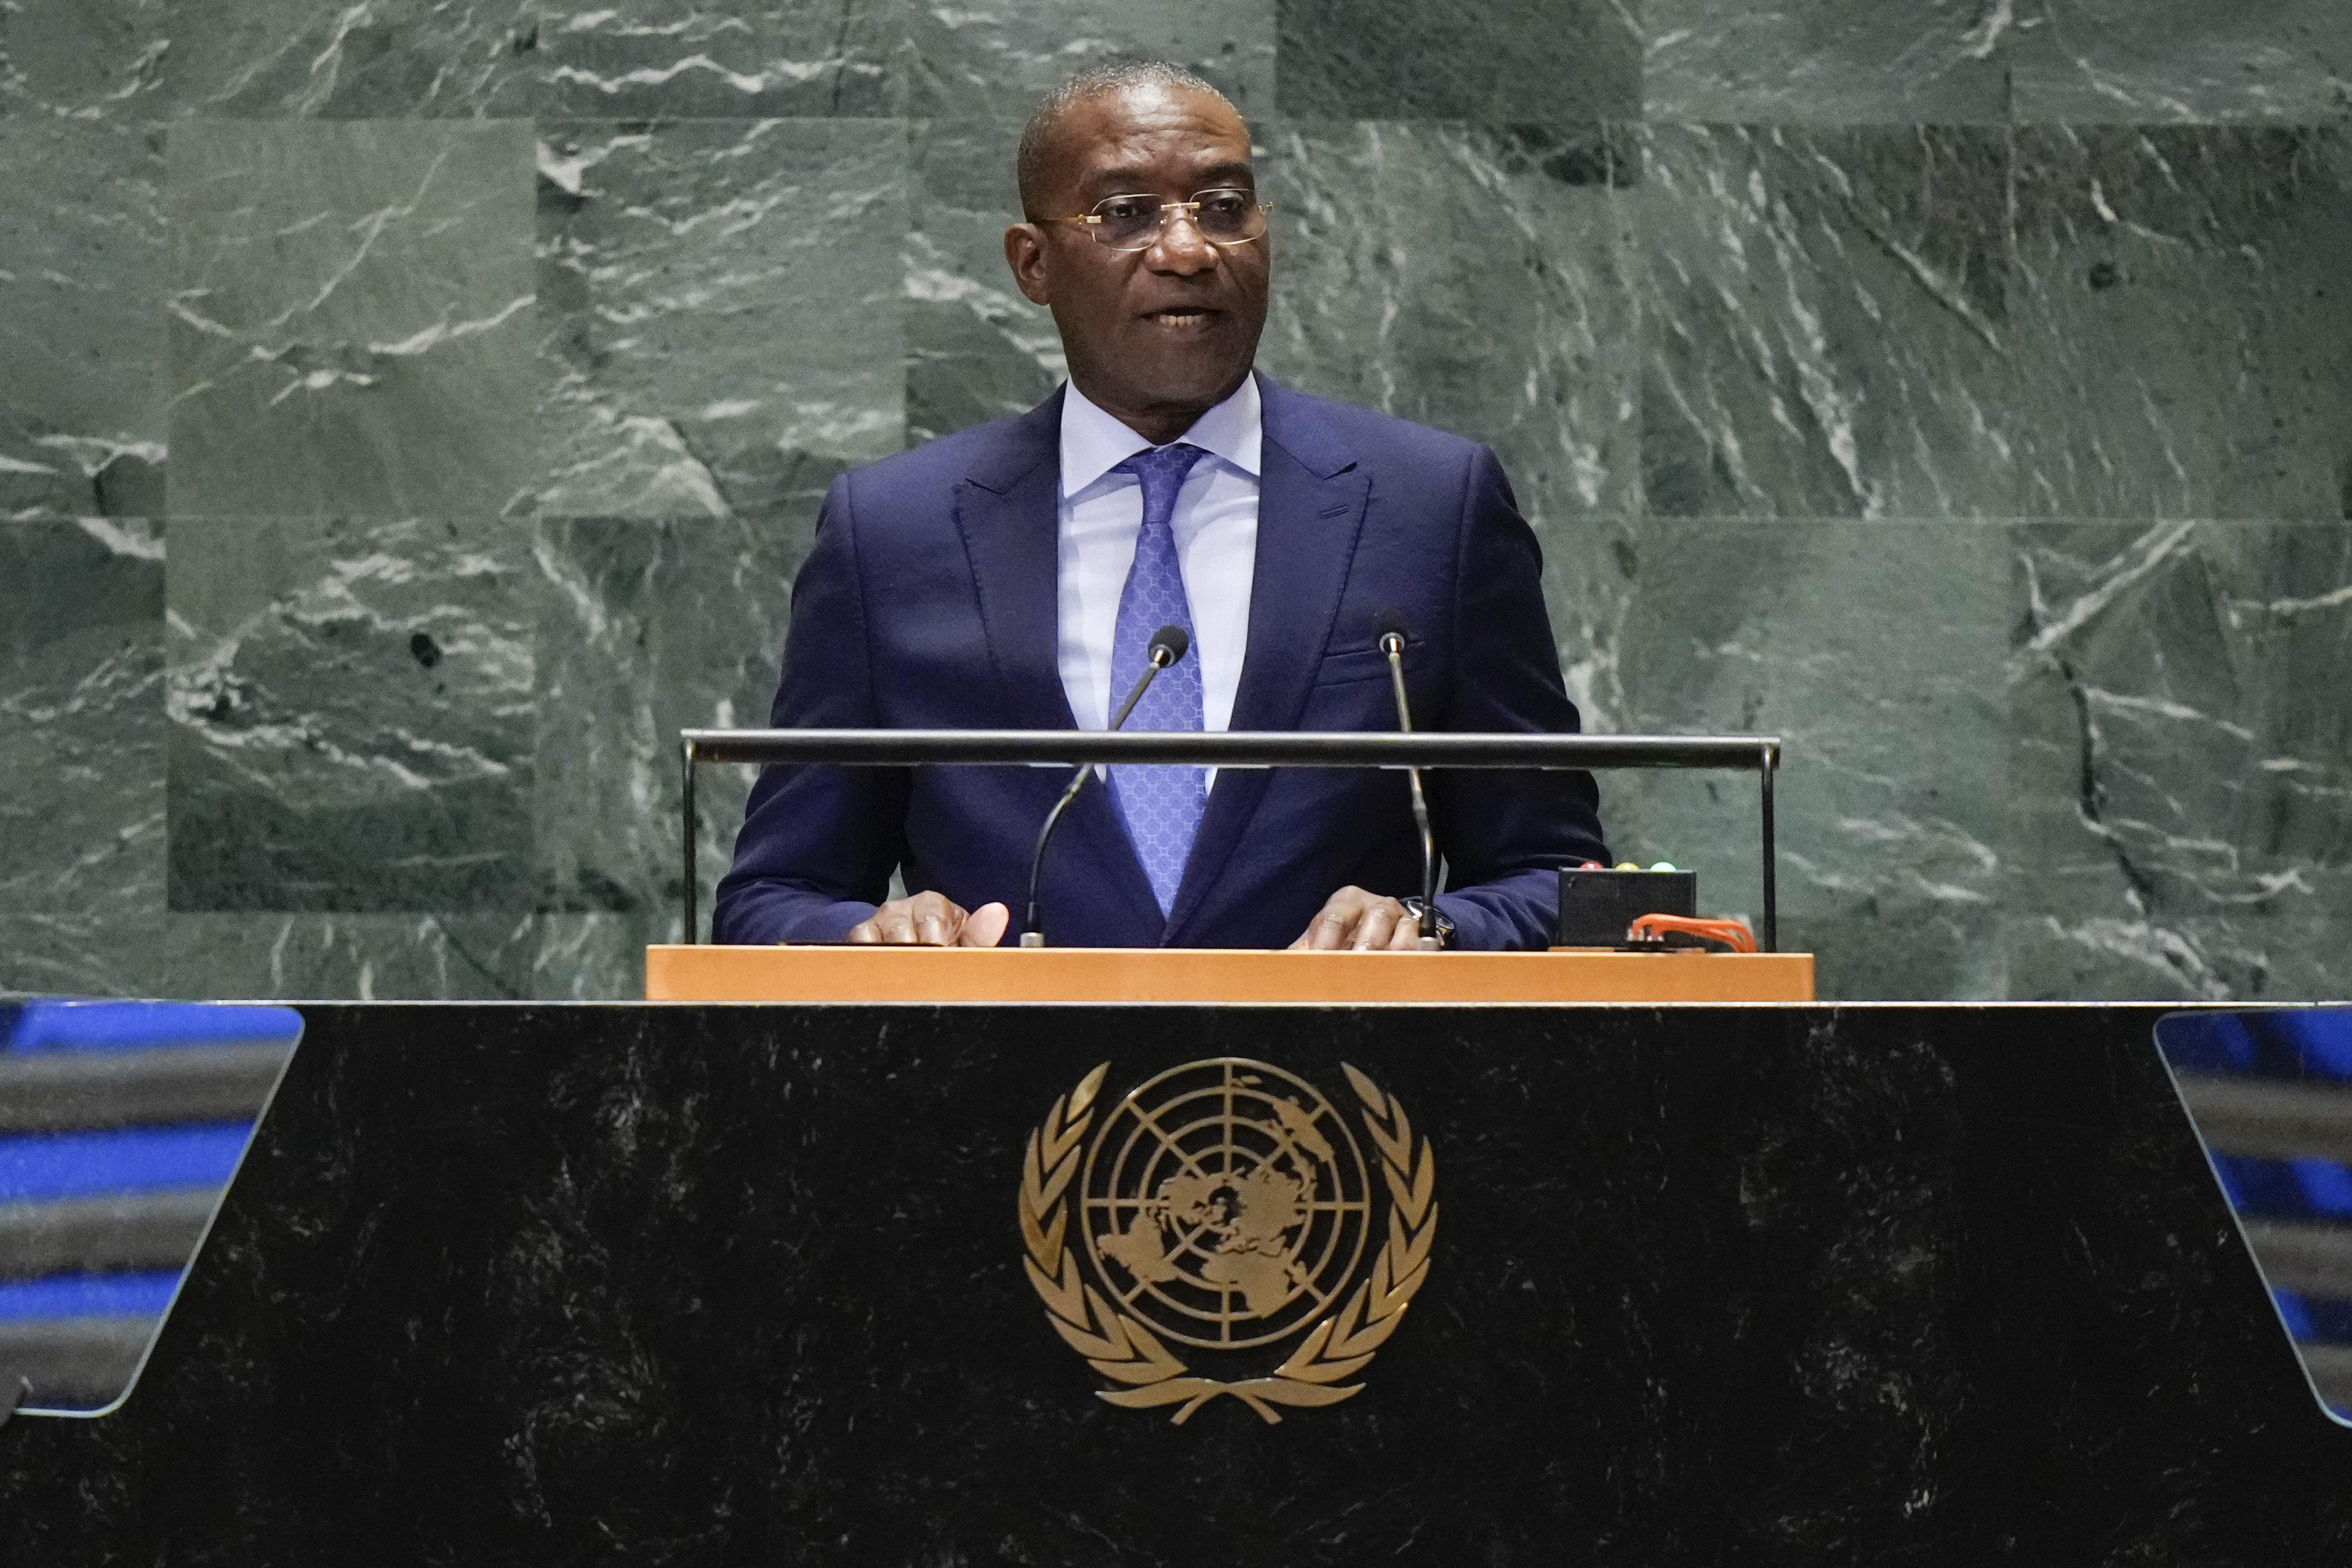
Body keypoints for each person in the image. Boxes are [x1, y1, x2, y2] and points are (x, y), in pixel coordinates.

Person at [713, 60, 1607, 953]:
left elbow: (1562, 882)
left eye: (1225, 207)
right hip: (1006, 1084)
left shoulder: (1430, 506)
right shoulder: (895, 533)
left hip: (1339, 1082)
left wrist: (1432, 924)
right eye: (1126, 214)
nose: (1188, 250)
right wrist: (874, 935)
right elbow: (777, 894)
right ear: (1034, 264)